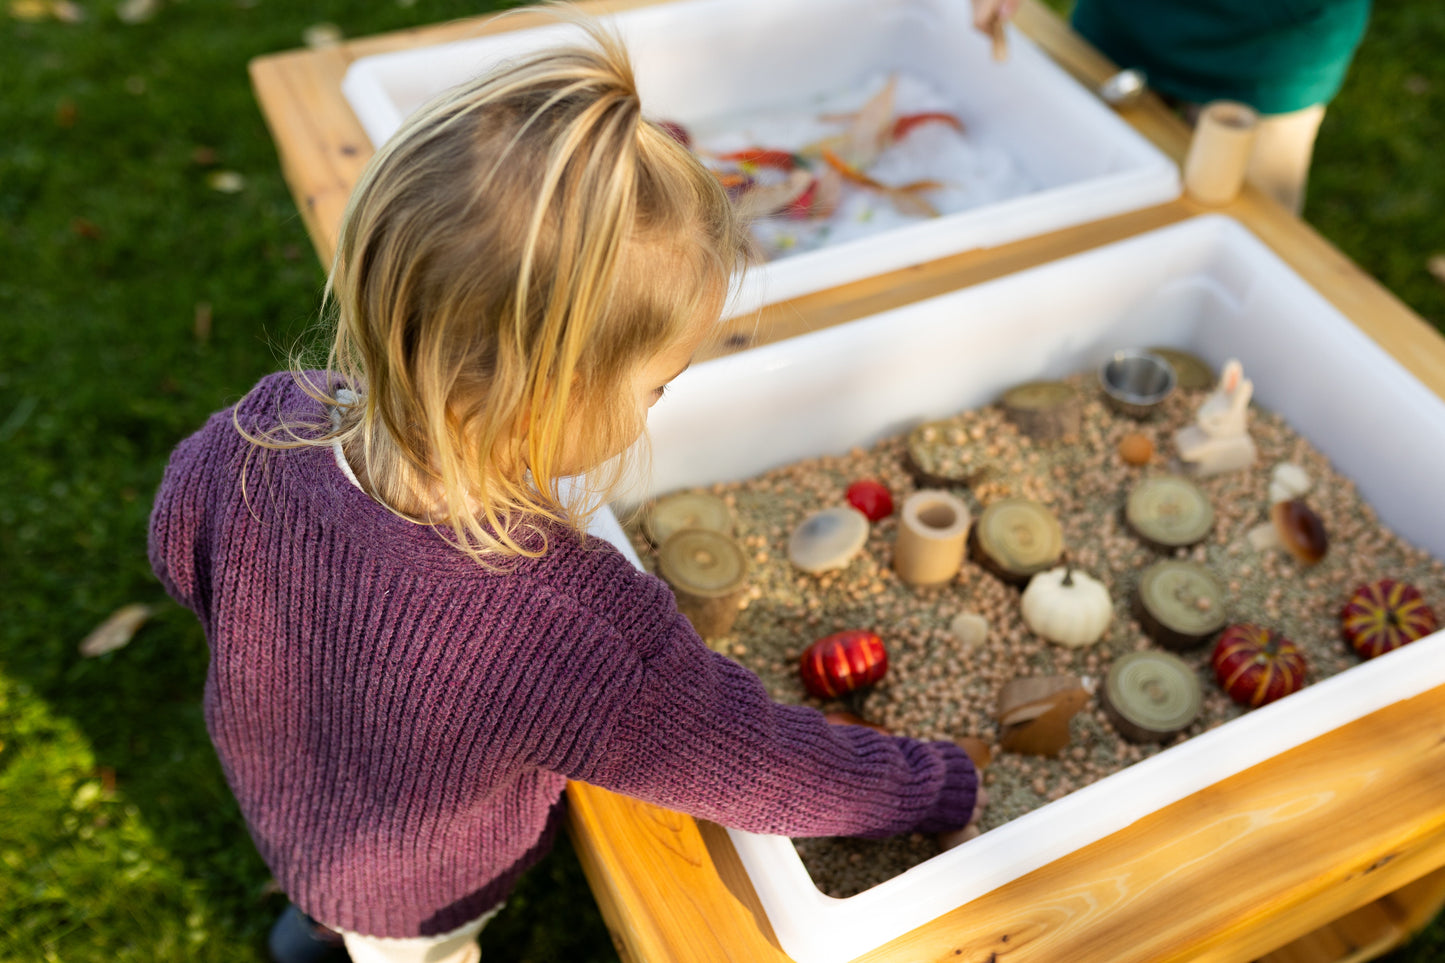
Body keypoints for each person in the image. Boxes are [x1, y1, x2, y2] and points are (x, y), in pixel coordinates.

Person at [147, 13, 981, 963]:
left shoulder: (261, 428)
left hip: (279, 793)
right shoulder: (562, 628)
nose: (661, 403)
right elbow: (754, 762)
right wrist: (924, 785)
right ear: (550, 391)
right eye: (658, 383)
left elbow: (180, 549)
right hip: (423, 889)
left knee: (328, 909)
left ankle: (308, 932)